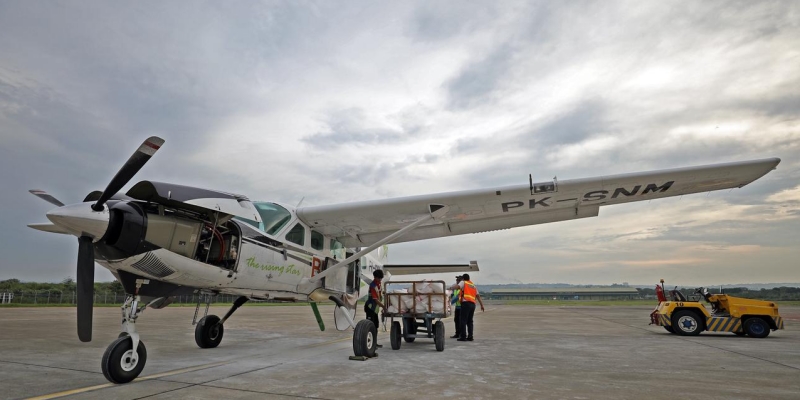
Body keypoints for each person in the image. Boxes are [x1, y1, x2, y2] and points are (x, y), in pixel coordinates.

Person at [456, 273, 484, 341]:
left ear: (463, 278)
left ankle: (463, 336)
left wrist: (450, 288)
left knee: (463, 320)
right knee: (470, 321)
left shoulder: (463, 282)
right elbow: (478, 296)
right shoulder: (473, 285)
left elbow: (457, 287)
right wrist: (481, 305)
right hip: (472, 304)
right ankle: (470, 336)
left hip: (466, 303)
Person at [364, 269, 385, 348]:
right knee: (369, 326)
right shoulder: (373, 286)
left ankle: (374, 343)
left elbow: (380, 294)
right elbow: (375, 300)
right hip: (370, 309)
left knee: (375, 326)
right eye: (379, 278)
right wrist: (383, 306)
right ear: (375, 277)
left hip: (375, 310)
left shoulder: (379, 284)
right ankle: (369, 343)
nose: (380, 280)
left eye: (381, 278)